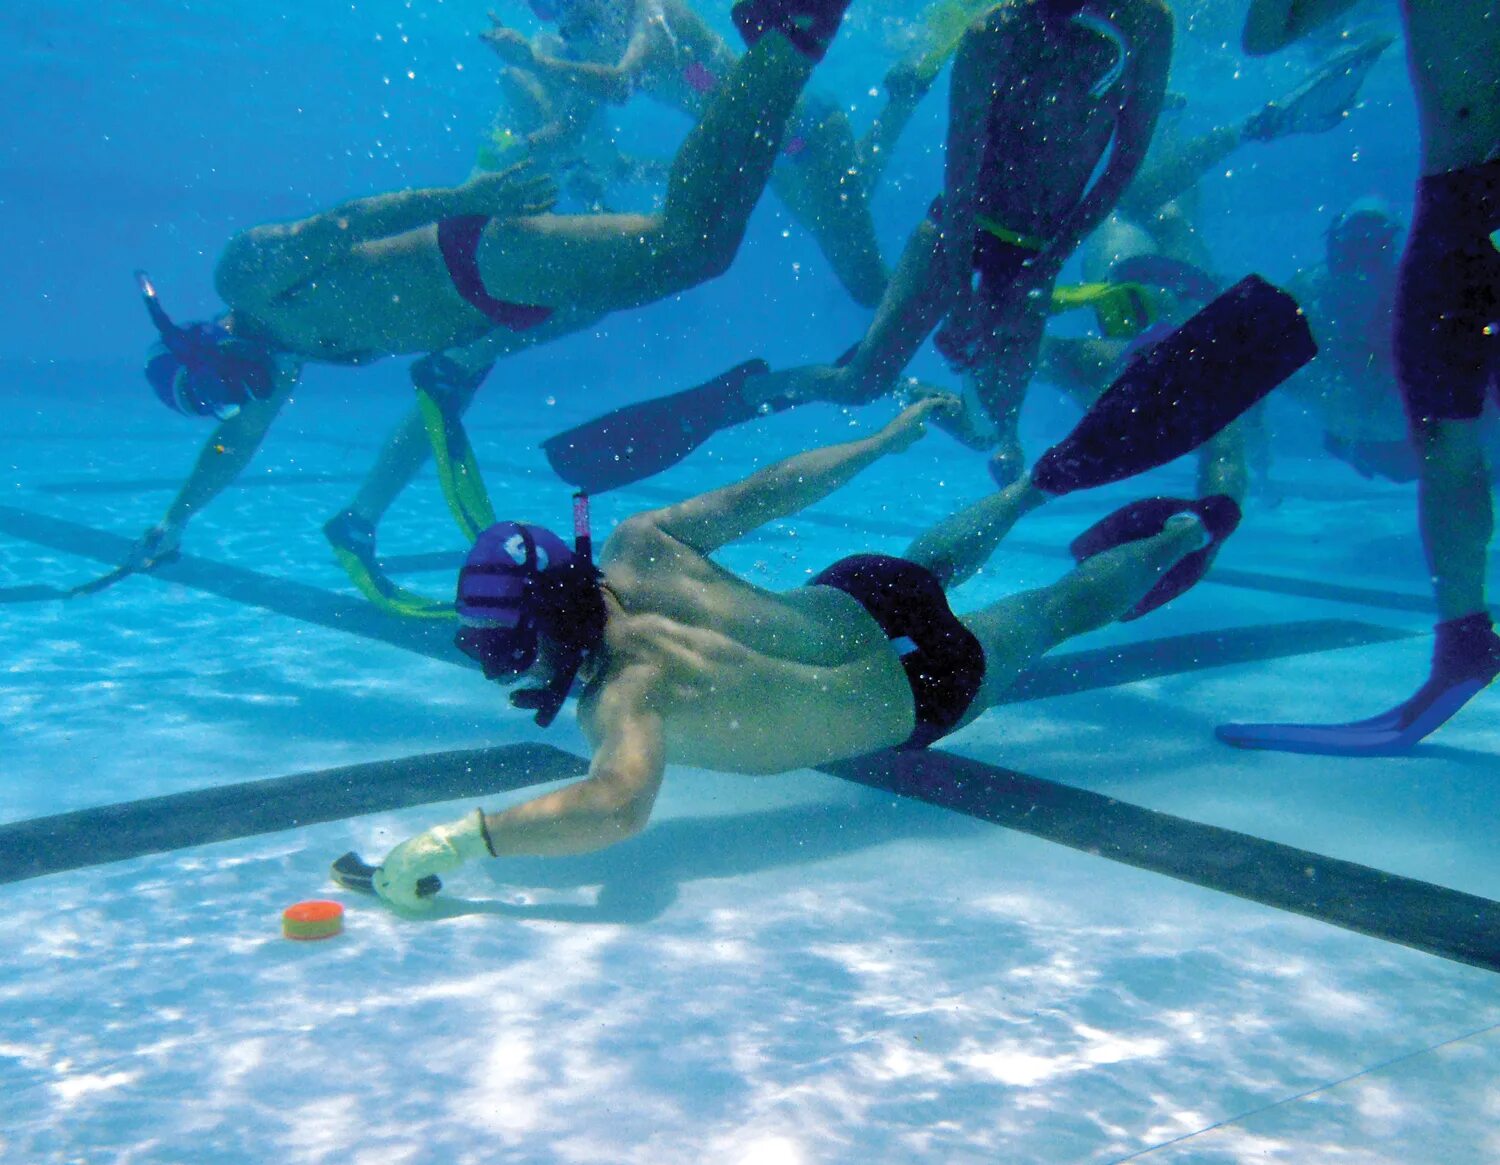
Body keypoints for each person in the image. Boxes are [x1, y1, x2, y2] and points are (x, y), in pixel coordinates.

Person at [366, 276, 1318, 907]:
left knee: (1056, 610)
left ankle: (1188, 532)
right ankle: (1034, 488)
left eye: (497, 648)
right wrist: (883, 442)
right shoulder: (638, 541)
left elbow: (616, 808)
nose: (500, 670)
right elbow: (767, 488)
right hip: (865, 594)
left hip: (916, 689)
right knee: (939, 560)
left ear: (541, 621)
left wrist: (464, 840)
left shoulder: (626, 697)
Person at [108, 0, 859, 594]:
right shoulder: (283, 358)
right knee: (697, 254)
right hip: (499, 307)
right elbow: (232, 446)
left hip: (474, 257)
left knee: (686, 247)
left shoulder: (244, 279)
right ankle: (782, 53)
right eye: (220, 400)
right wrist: (172, 520)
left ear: (201, 340)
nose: (240, 394)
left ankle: (784, 41)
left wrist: (469, 196)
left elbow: (346, 223)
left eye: (216, 384)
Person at [1218, 0, 1500, 755]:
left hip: (1463, 201)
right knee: (1442, 433)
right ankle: (1464, 644)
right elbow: (1264, 34)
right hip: (1461, 203)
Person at [744, 0, 1176, 488]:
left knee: (983, 434)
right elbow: (962, 174)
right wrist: (959, 292)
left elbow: (1127, 161)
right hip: (957, 230)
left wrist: (1044, 268)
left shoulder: (1147, 21)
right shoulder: (991, 33)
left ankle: (907, 388)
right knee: (859, 384)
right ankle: (747, 391)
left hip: (1035, 252)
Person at [482, 0, 888, 306]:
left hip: (808, 136)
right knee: (844, 224)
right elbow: (568, 129)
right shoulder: (598, 46)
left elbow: (621, 85)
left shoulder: (655, 15)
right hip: (770, 155)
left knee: (866, 284)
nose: (564, 19)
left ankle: (902, 99)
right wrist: (521, 147)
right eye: (545, 7)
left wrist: (535, 62)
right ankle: (902, 97)